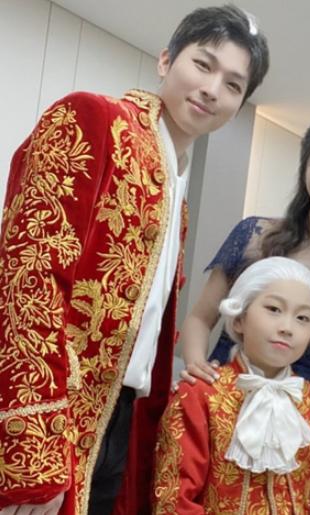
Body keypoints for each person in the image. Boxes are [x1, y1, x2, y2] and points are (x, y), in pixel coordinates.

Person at [0, 5, 269, 515]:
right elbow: (28, 277)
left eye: (234, 85)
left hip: (120, 418)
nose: (212, 89)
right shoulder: (93, 119)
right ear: (166, 60)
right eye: (203, 64)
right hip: (54, 414)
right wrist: (33, 454)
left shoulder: (176, 185)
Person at [181, 114, 310, 418]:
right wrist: (196, 364)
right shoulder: (254, 236)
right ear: (304, 171)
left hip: (292, 417)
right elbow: (200, 318)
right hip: (219, 400)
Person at [153, 257, 310, 514]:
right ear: (239, 319)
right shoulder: (199, 395)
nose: (287, 328)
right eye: (274, 309)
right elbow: (174, 501)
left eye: (302, 317)